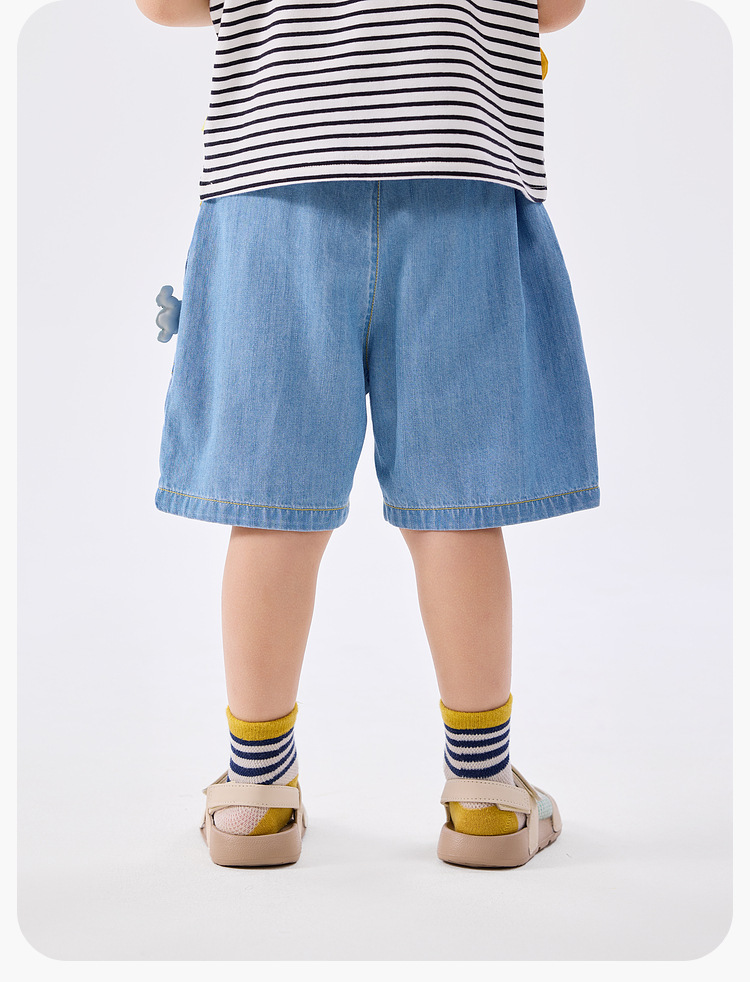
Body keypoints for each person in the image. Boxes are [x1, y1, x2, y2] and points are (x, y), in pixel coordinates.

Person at [138, 0, 597, 869]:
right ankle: (484, 795)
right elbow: (558, 6)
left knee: (272, 503)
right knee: (457, 501)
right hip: (457, 175)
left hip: (276, 182)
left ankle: (255, 796)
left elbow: (162, 5)